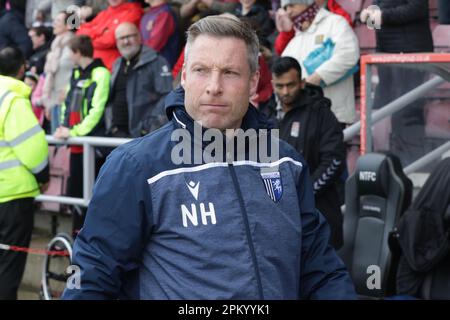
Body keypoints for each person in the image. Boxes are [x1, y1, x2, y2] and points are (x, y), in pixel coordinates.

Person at [62, 15, 355, 300]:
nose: (214, 87)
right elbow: (91, 278)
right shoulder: (136, 167)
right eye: (202, 70)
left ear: (253, 82)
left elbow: (321, 271)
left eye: (230, 73)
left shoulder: (286, 164)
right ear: (185, 76)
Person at [261, 56, 345, 249]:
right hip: (279, 218)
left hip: (319, 214)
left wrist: (303, 192)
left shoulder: (321, 113)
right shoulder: (266, 115)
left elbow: (334, 160)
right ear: (272, 84)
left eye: (290, 85)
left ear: (302, 83)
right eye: (279, 86)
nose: (285, 91)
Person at [0, 47, 49, 300]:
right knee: (8, 267)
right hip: (12, 198)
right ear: (21, 69)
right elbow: (33, 149)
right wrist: (43, 176)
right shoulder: (12, 98)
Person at [360, 0, 434, 165]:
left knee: (408, 109)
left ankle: (413, 161)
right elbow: (378, 11)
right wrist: (369, 13)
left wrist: (382, 15)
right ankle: (395, 160)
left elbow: (416, 8)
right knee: (390, 107)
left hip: (411, 53)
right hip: (386, 52)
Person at [54, 35, 110, 237]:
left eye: (70, 52)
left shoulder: (101, 73)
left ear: (78, 52)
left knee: (90, 198)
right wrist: (63, 126)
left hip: (91, 146)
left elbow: (97, 109)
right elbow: (67, 104)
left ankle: (88, 239)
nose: (69, 56)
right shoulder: (76, 73)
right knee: (75, 196)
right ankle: (75, 240)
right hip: (75, 144)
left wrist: (75, 132)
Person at [280, 0, 359, 127]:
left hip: (332, 114)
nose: (288, 11)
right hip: (301, 117)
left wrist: (316, 78)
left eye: (292, 5)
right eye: (285, 7)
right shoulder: (295, 39)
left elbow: (348, 55)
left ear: (307, 3)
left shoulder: (335, 23)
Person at [106, 22, 172, 138]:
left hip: (142, 138)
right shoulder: (117, 64)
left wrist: (148, 128)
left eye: (129, 36)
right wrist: (111, 126)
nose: (126, 42)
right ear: (116, 42)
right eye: (122, 38)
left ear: (139, 37)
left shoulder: (156, 61)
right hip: (116, 135)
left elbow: (166, 97)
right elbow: (111, 99)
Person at [77, 0, 143, 71]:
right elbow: (79, 31)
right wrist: (98, 34)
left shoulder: (133, 11)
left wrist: (90, 37)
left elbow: (110, 40)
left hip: (112, 68)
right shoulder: (105, 13)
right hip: (92, 67)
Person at [42, 11, 76, 134]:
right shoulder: (55, 45)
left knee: (64, 143)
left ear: (68, 25)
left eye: (58, 21)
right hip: (54, 100)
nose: (53, 24)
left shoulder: (73, 45)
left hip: (67, 101)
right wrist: (48, 103)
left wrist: (67, 89)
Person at [140, 0, 180, 68]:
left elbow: (153, 46)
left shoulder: (164, 13)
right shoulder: (149, 12)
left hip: (160, 69)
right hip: (148, 66)